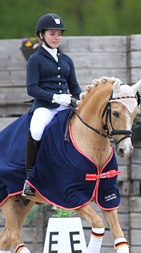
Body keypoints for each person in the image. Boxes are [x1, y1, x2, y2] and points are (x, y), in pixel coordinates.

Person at [22, 13, 85, 196]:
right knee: (37, 129)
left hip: (67, 104)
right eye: (52, 34)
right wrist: (55, 98)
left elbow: (73, 85)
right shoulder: (35, 59)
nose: (57, 38)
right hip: (45, 107)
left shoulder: (66, 60)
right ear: (41, 35)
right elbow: (32, 88)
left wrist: (82, 96)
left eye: (59, 34)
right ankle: (30, 179)